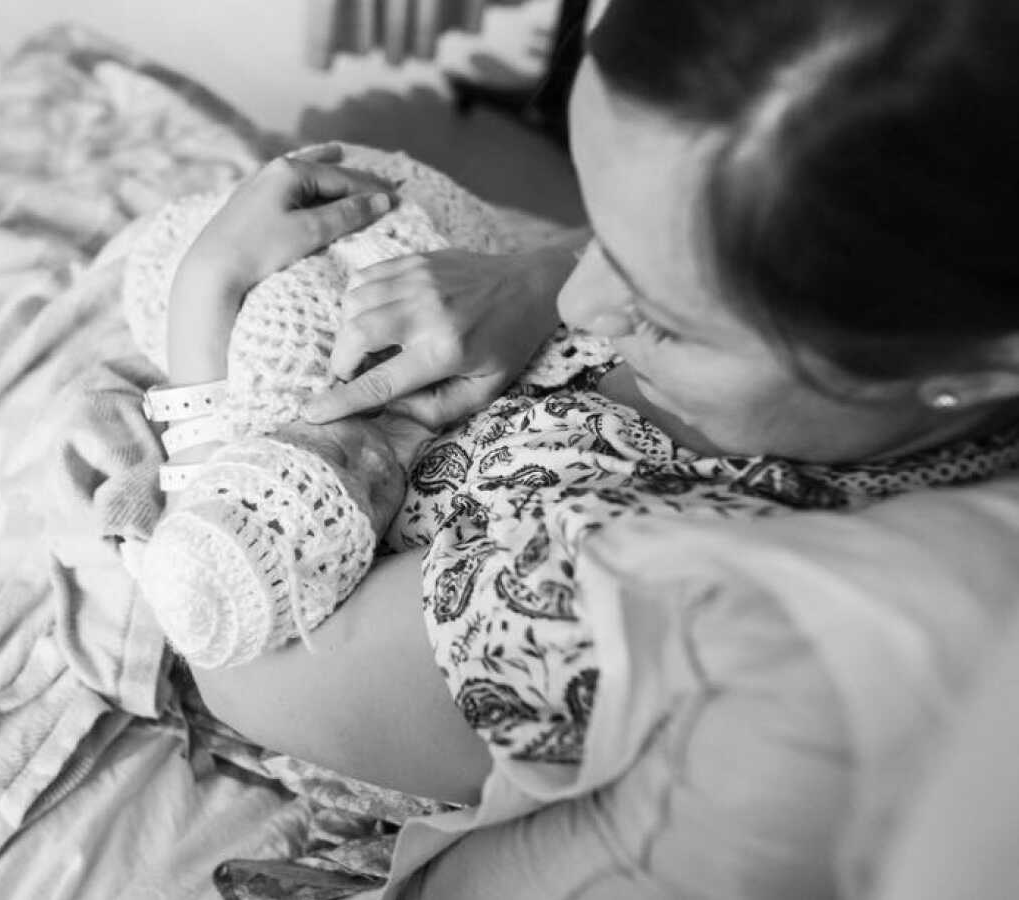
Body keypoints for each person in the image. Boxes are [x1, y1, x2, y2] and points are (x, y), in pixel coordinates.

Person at [152, 0, 1019, 880]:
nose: (582, 305)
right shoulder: (863, 299)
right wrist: (540, 268)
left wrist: (206, 306)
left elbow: (245, 665)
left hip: (229, 568)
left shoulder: (616, 599)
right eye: (599, 229)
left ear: (973, 367)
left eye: (668, 320)